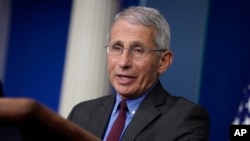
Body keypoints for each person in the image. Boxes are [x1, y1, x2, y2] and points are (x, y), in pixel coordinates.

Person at [68, 6, 209, 141]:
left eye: (138, 50)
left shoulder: (184, 118)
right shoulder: (81, 113)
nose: (123, 63)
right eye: (117, 48)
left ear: (163, 61)